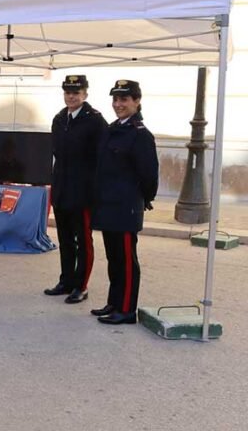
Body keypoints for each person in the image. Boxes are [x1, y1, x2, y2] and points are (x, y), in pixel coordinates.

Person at [91, 79, 159, 325]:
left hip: (126, 205)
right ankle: (115, 301)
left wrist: (144, 199)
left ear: (137, 101)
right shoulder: (112, 129)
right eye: (116, 100)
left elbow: (149, 174)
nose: (118, 104)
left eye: (124, 100)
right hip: (108, 203)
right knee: (113, 257)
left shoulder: (140, 135)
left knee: (127, 260)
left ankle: (128, 309)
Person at [44, 75, 107, 304]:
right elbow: (56, 155)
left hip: (83, 192)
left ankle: (81, 285)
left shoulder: (95, 121)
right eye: (68, 92)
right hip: (61, 189)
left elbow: (102, 159)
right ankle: (66, 280)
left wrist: (95, 190)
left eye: (76, 92)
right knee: (65, 239)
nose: (71, 96)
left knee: (84, 241)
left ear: (85, 94)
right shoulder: (60, 118)